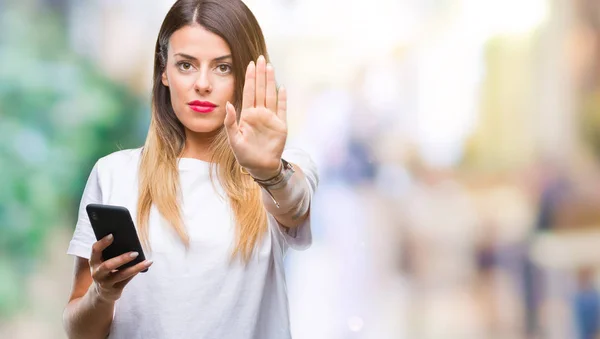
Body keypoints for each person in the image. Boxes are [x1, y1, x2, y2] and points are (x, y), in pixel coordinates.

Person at [62, 1, 318, 338]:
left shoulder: (279, 169)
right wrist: (103, 293)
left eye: (222, 68)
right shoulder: (114, 174)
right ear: (164, 71)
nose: (202, 84)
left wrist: (269, 173)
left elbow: (295, 205)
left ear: (246, 74)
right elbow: (78, 332)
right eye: (186, 65)